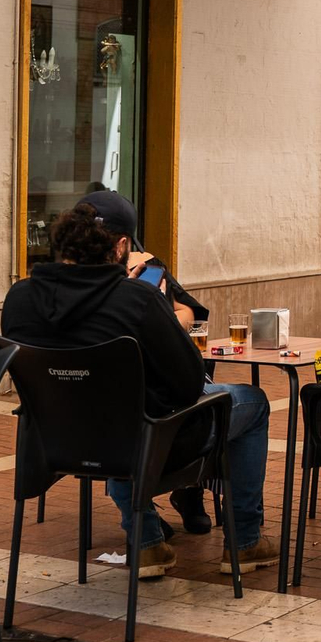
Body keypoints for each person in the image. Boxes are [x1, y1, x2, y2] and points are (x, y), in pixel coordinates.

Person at [0, 204, 274, 579]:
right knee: (252, 402)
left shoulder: (19, 298)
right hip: (142, 442)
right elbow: (189, 383)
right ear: (121, 246)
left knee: (119, 411)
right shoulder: (135, 299)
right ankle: (244, 542)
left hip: (56, 444)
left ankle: (146, 545)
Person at [76, 190, 219, 533]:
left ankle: (186, 494)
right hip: (118, 413)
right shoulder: (69, 291)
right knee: (235, 405)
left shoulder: (148, 265)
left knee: (185, 386)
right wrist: (125, 297)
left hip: (79, 426)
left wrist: (159, 313)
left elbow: (187, 310)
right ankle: (145, 521)